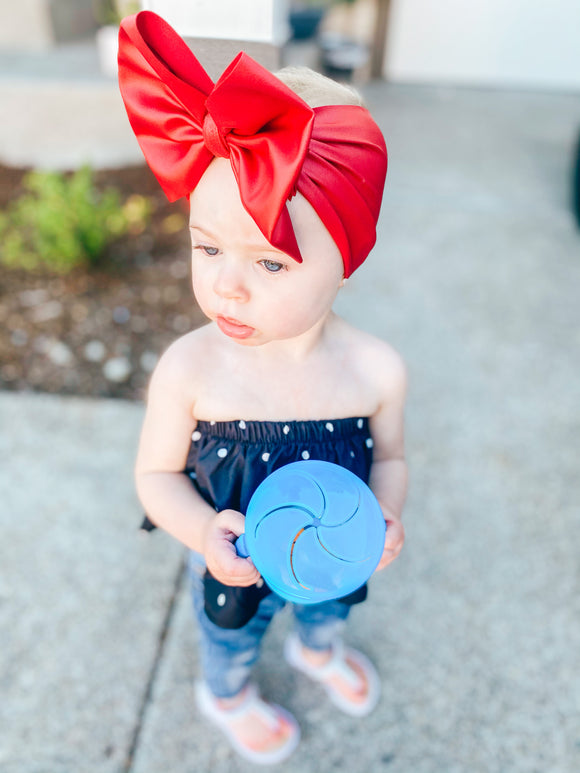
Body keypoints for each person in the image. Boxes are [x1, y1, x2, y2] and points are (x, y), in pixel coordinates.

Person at [118, 10, 407, 766]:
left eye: (270, 262)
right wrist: (198, 533)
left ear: (345, 256)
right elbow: (155, 476)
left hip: (332, 549)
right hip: (233, 561)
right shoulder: (191, 369)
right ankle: (228, 692)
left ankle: (317, 649)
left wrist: (387, 513)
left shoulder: (375, 370)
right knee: (229, 634)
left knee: (326, 612)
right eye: (207, 246)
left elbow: (393, 459)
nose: (226, 286)